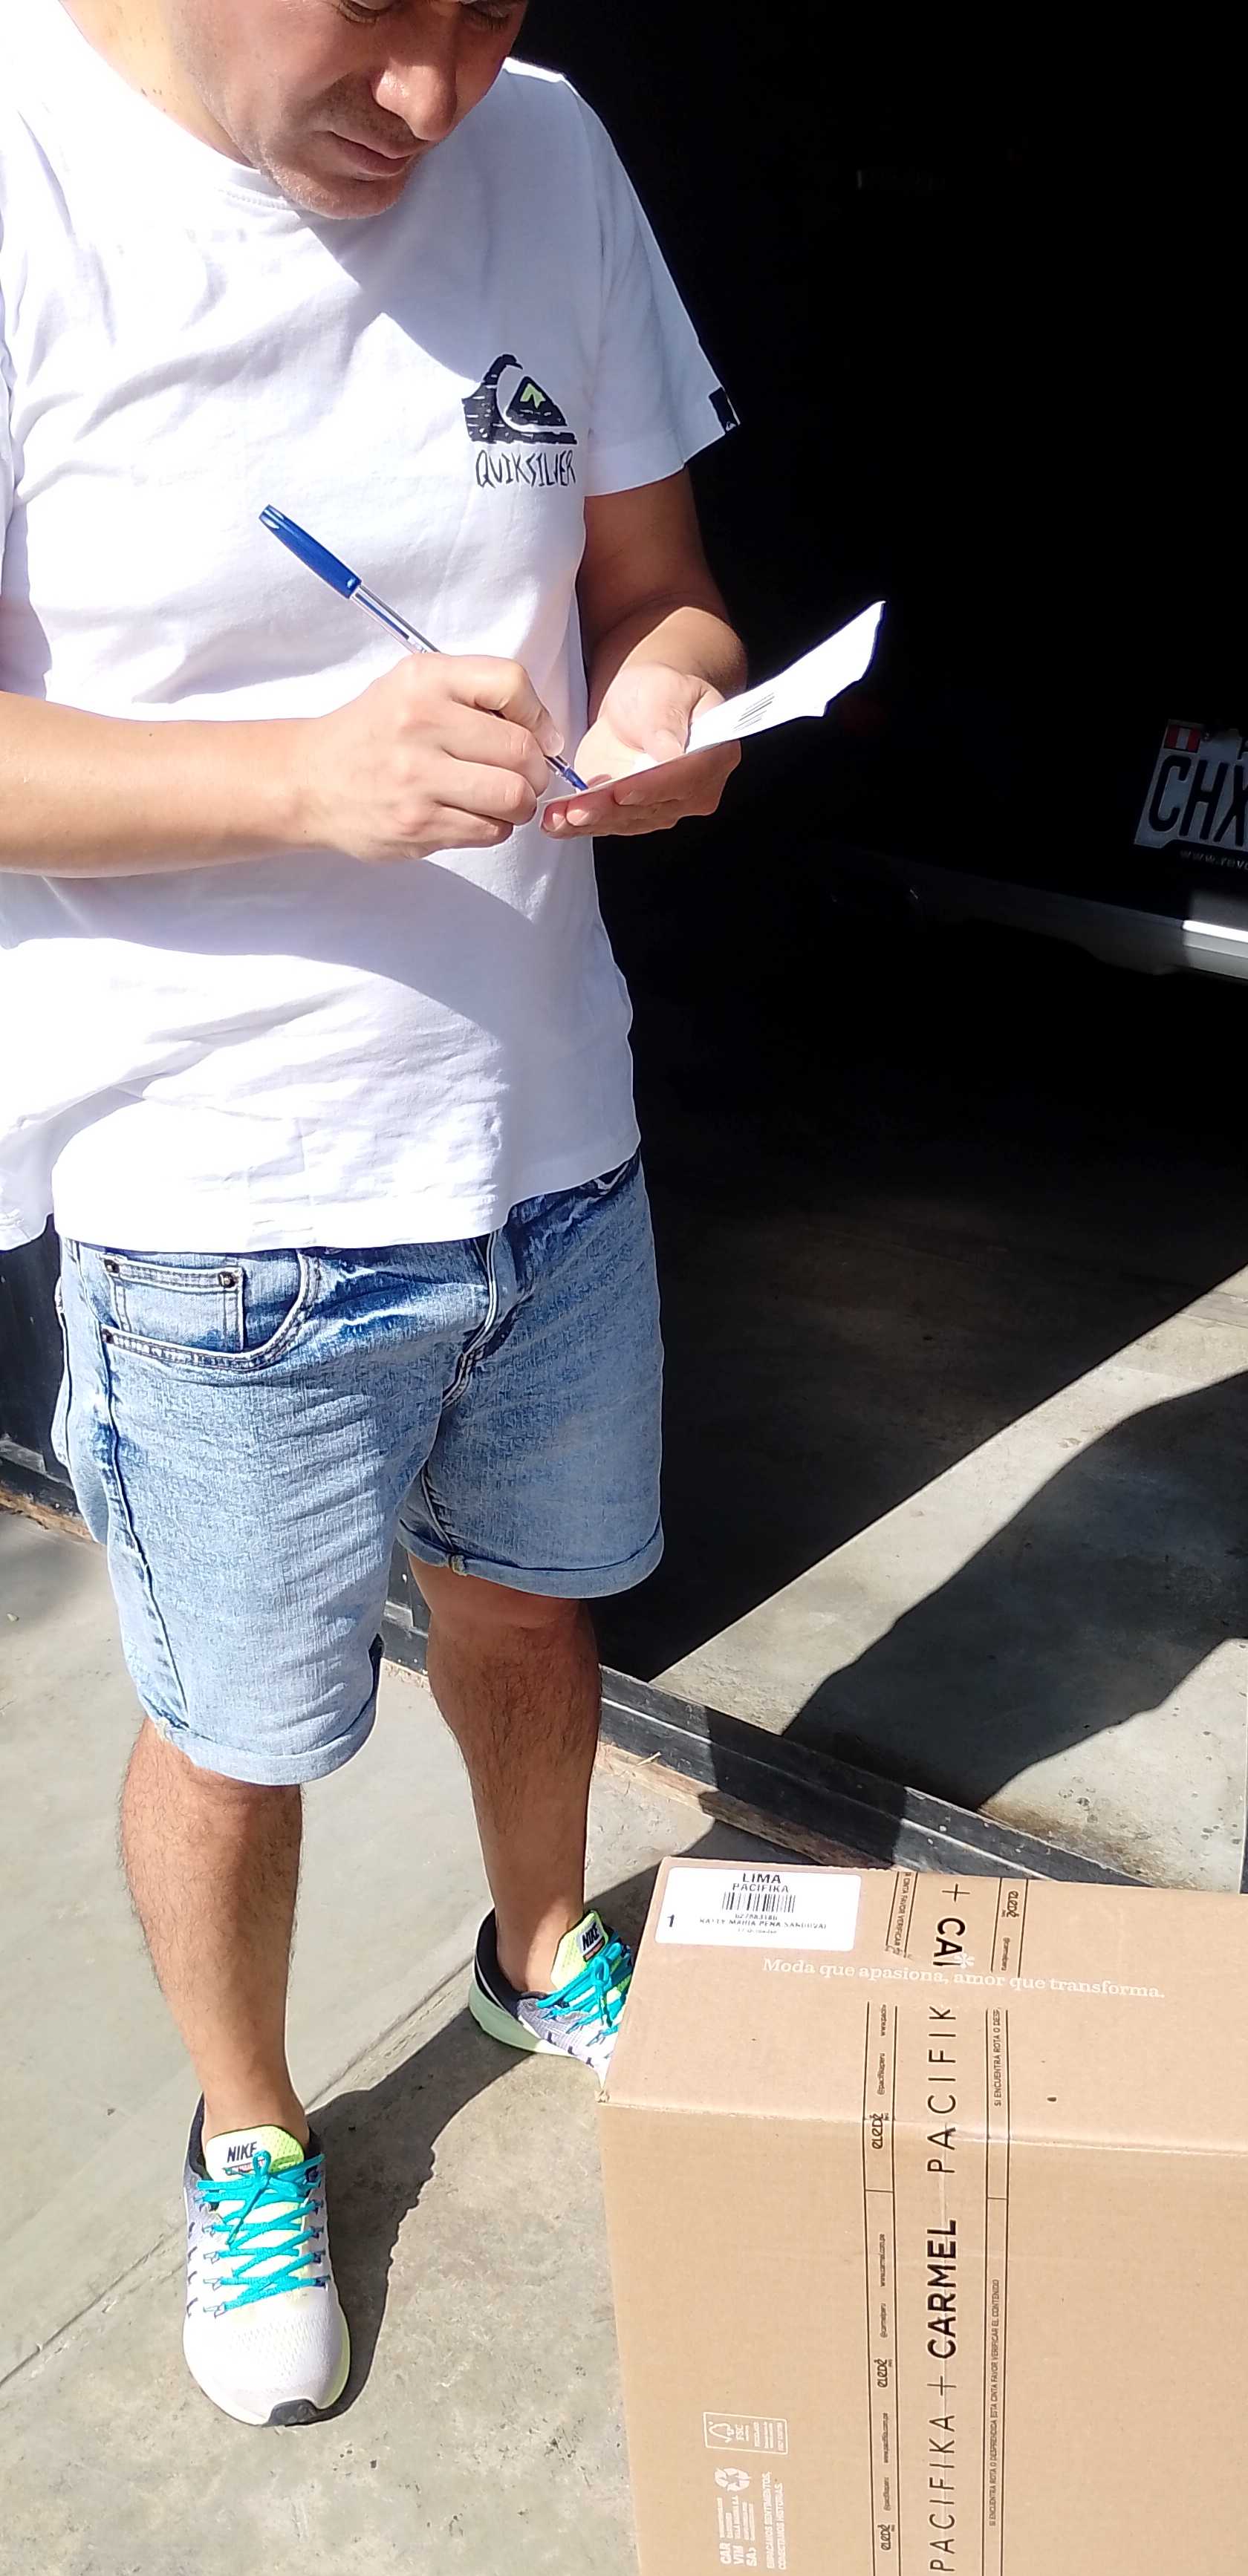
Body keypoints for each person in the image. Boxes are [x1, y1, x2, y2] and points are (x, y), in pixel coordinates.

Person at [0, 0, 747, 2426]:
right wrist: (298, 780)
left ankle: (540, 1949)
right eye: (378, 10)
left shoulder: (552, 147)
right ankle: (249, 2132)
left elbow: (661, 583)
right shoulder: (24, 165)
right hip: (218, 1200)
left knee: (532, 1610)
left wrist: (673, 708)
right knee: (237, 1728)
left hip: (546, 1131)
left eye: (490, 12)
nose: (434, 98)